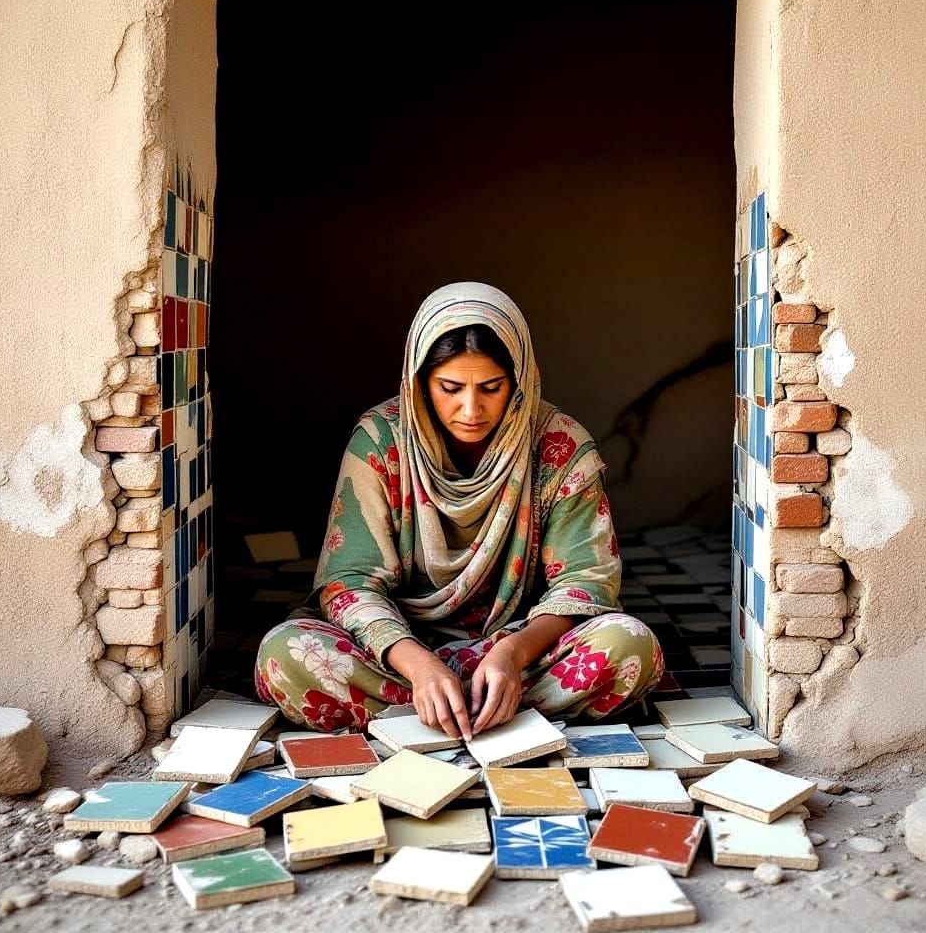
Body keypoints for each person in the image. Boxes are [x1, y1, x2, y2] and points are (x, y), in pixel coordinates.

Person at [254, 281, 663, 739]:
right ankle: (485, 712)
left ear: (520, 380)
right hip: (397, 652)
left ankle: (450, 711)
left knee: (630, 645)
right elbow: (348, 583)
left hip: (520, 650)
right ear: (419, 383)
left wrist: (511, 655)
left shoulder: (561, 447)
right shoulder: (380, 441)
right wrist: (420, 666)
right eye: (449, 388)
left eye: (491, 387)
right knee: (284, 652)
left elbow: (585, 583)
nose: (471, 409)